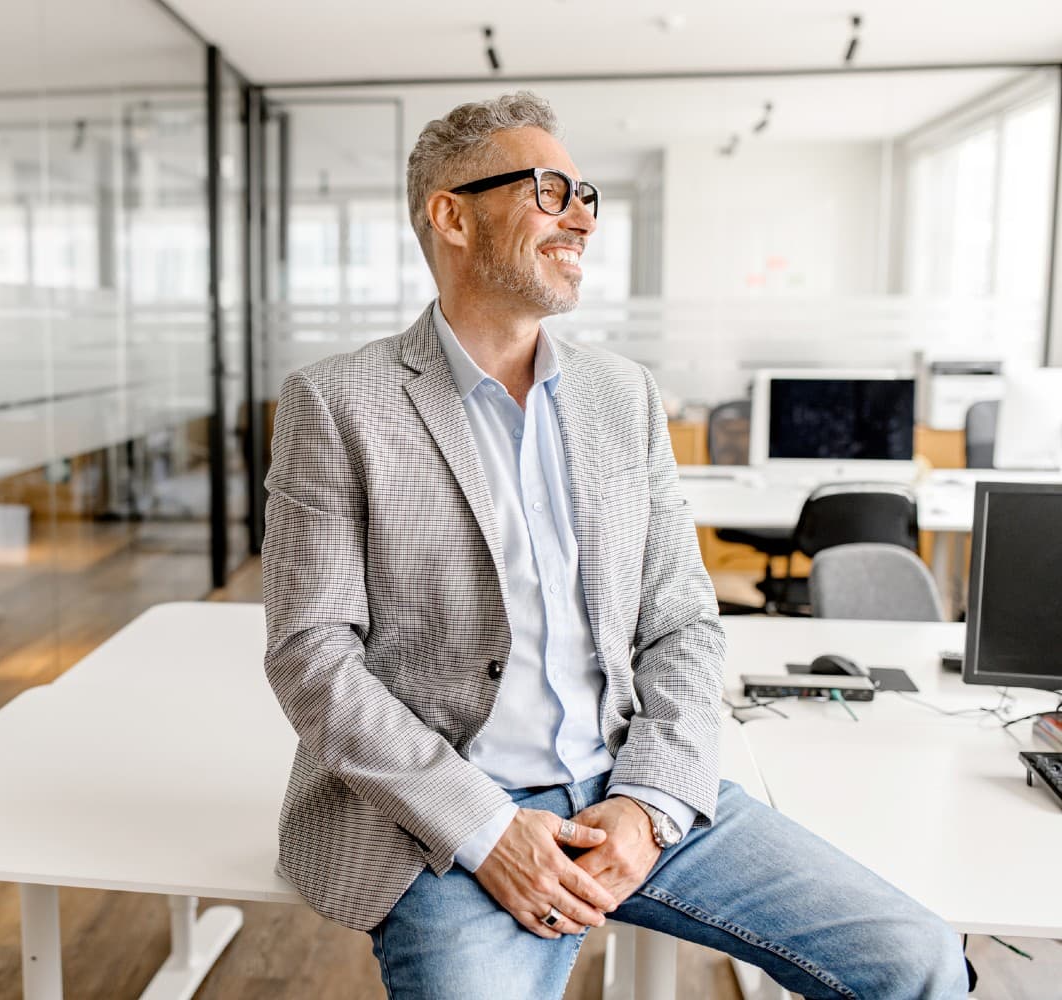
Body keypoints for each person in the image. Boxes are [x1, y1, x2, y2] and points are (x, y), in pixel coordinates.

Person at [261, 91, 966, 999]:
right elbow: (311, 655)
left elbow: (682, 623)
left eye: (586, 193)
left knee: (919, 961)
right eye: (550, 189)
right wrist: (483, 827)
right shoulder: (338, 403)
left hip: (634, 780)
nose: (583, 215)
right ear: (452, 217)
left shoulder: (622, 395)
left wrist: (650, 802)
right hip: (447, 821)